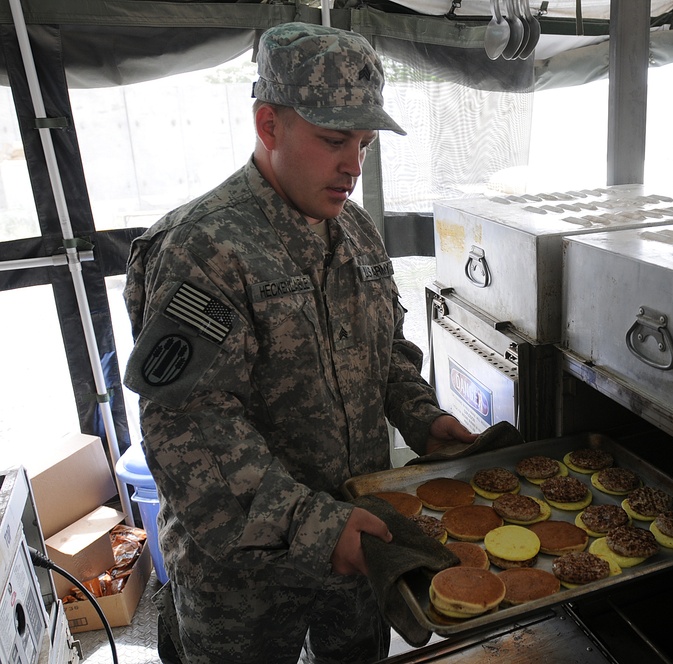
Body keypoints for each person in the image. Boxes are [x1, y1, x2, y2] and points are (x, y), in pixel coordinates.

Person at [122, 22, 477, 664]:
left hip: (356, 542)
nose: (353, 165)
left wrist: (425, 419)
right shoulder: (203, 249)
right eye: (334, 140)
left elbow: (385, 353)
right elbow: (189, 430)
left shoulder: (357, 232)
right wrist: (312, 524)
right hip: (245, 575)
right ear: (269, 125)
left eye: (364, 144)